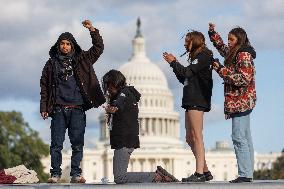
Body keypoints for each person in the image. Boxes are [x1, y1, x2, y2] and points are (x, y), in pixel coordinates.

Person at [40, 20, 105, 183]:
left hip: (77, 108)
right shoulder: (50, 64)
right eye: (62, 44)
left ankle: (76, 174)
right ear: (58, 46)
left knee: (77, 144)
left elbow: (98, 49)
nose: (65, 46)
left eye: (68, 44)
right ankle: (55, 174)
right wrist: (44, 107)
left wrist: (92, 30)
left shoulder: (82, 60)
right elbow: (44, 87)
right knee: (56, 144)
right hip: (58, 108)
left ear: (72, 45)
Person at [102, 69, 179, 184]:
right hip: (127, 139)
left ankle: (156, 176)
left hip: (124, 140)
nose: (107, 89)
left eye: (109, 85)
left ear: (115, 83)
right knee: (119, 176)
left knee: (119, 178)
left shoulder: (123, 94)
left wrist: (114, 107)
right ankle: (156, 176)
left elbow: (119, 101)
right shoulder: (128, 93)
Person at [208, 23, 256, 183]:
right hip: (241, 100)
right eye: (228, 39)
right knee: (245, 137)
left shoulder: (243, 55)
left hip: (241, 100)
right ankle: (248, 172)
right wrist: (213, 33)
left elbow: (244, 78)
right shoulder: (235, 53)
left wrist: (220, 69)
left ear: (239, 40)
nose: (228, 42)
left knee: (238, 137)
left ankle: (245, 174)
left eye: (231, 39)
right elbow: (222, 48)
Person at [163, 31, 214, 182]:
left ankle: (199, 173)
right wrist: (174, 65)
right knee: (189, 138)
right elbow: (184, 78)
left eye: (187, 41)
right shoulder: (196, 58)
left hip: (197, 99)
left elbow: (187, 73)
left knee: (197, 136)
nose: (185, 44)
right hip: (190, 99)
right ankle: (205, 171)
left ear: (196, 41)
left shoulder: (204, 55)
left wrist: (174, 62)